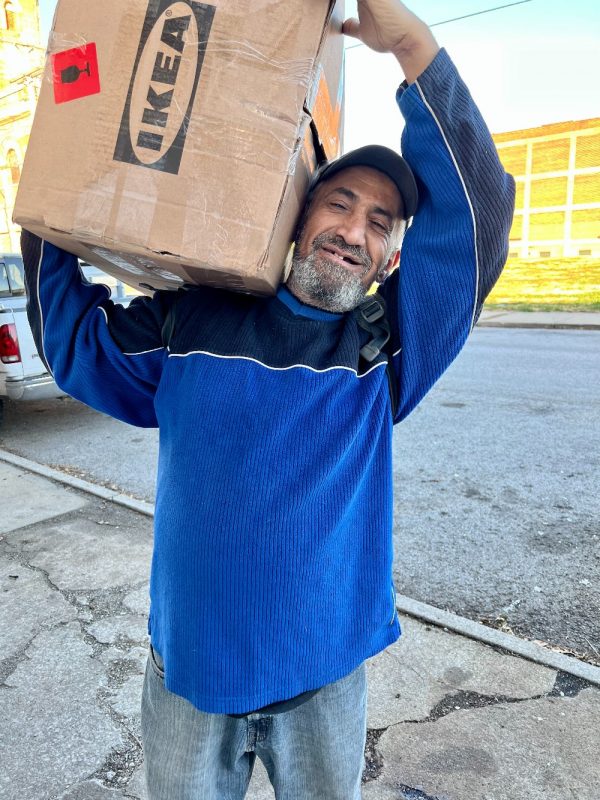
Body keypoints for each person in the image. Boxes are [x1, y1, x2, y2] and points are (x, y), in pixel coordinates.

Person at [21, 1, 515, 797]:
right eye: (339, 203)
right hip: (187, 677)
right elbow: (79, 345)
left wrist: (415, 48)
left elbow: (478, 220)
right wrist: (52, 192)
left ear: (391, 258)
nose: (354, 229)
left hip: (323, 682)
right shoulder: (192, 321)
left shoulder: (385, 349)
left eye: (381, 221)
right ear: (296, 218)